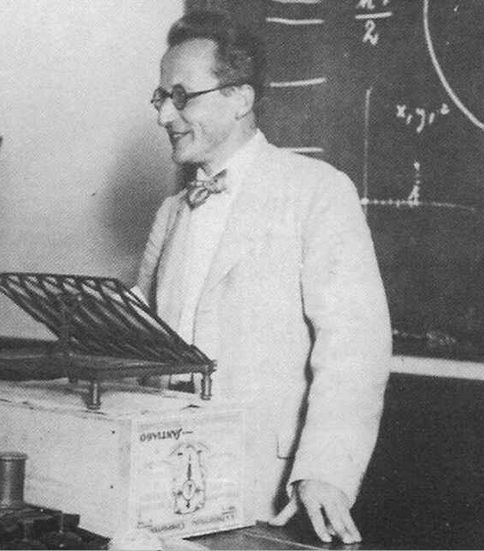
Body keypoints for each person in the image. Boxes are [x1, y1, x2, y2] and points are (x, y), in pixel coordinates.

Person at [134, 10, 392, 544]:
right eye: (161, 97)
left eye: (182, 96)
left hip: (264, 486)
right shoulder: (172, 211)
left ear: (240, 98)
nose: (164, 116)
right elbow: (141, 338)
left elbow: (356, 345)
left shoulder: (317, 191)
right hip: (160, 479)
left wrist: (325, 469)